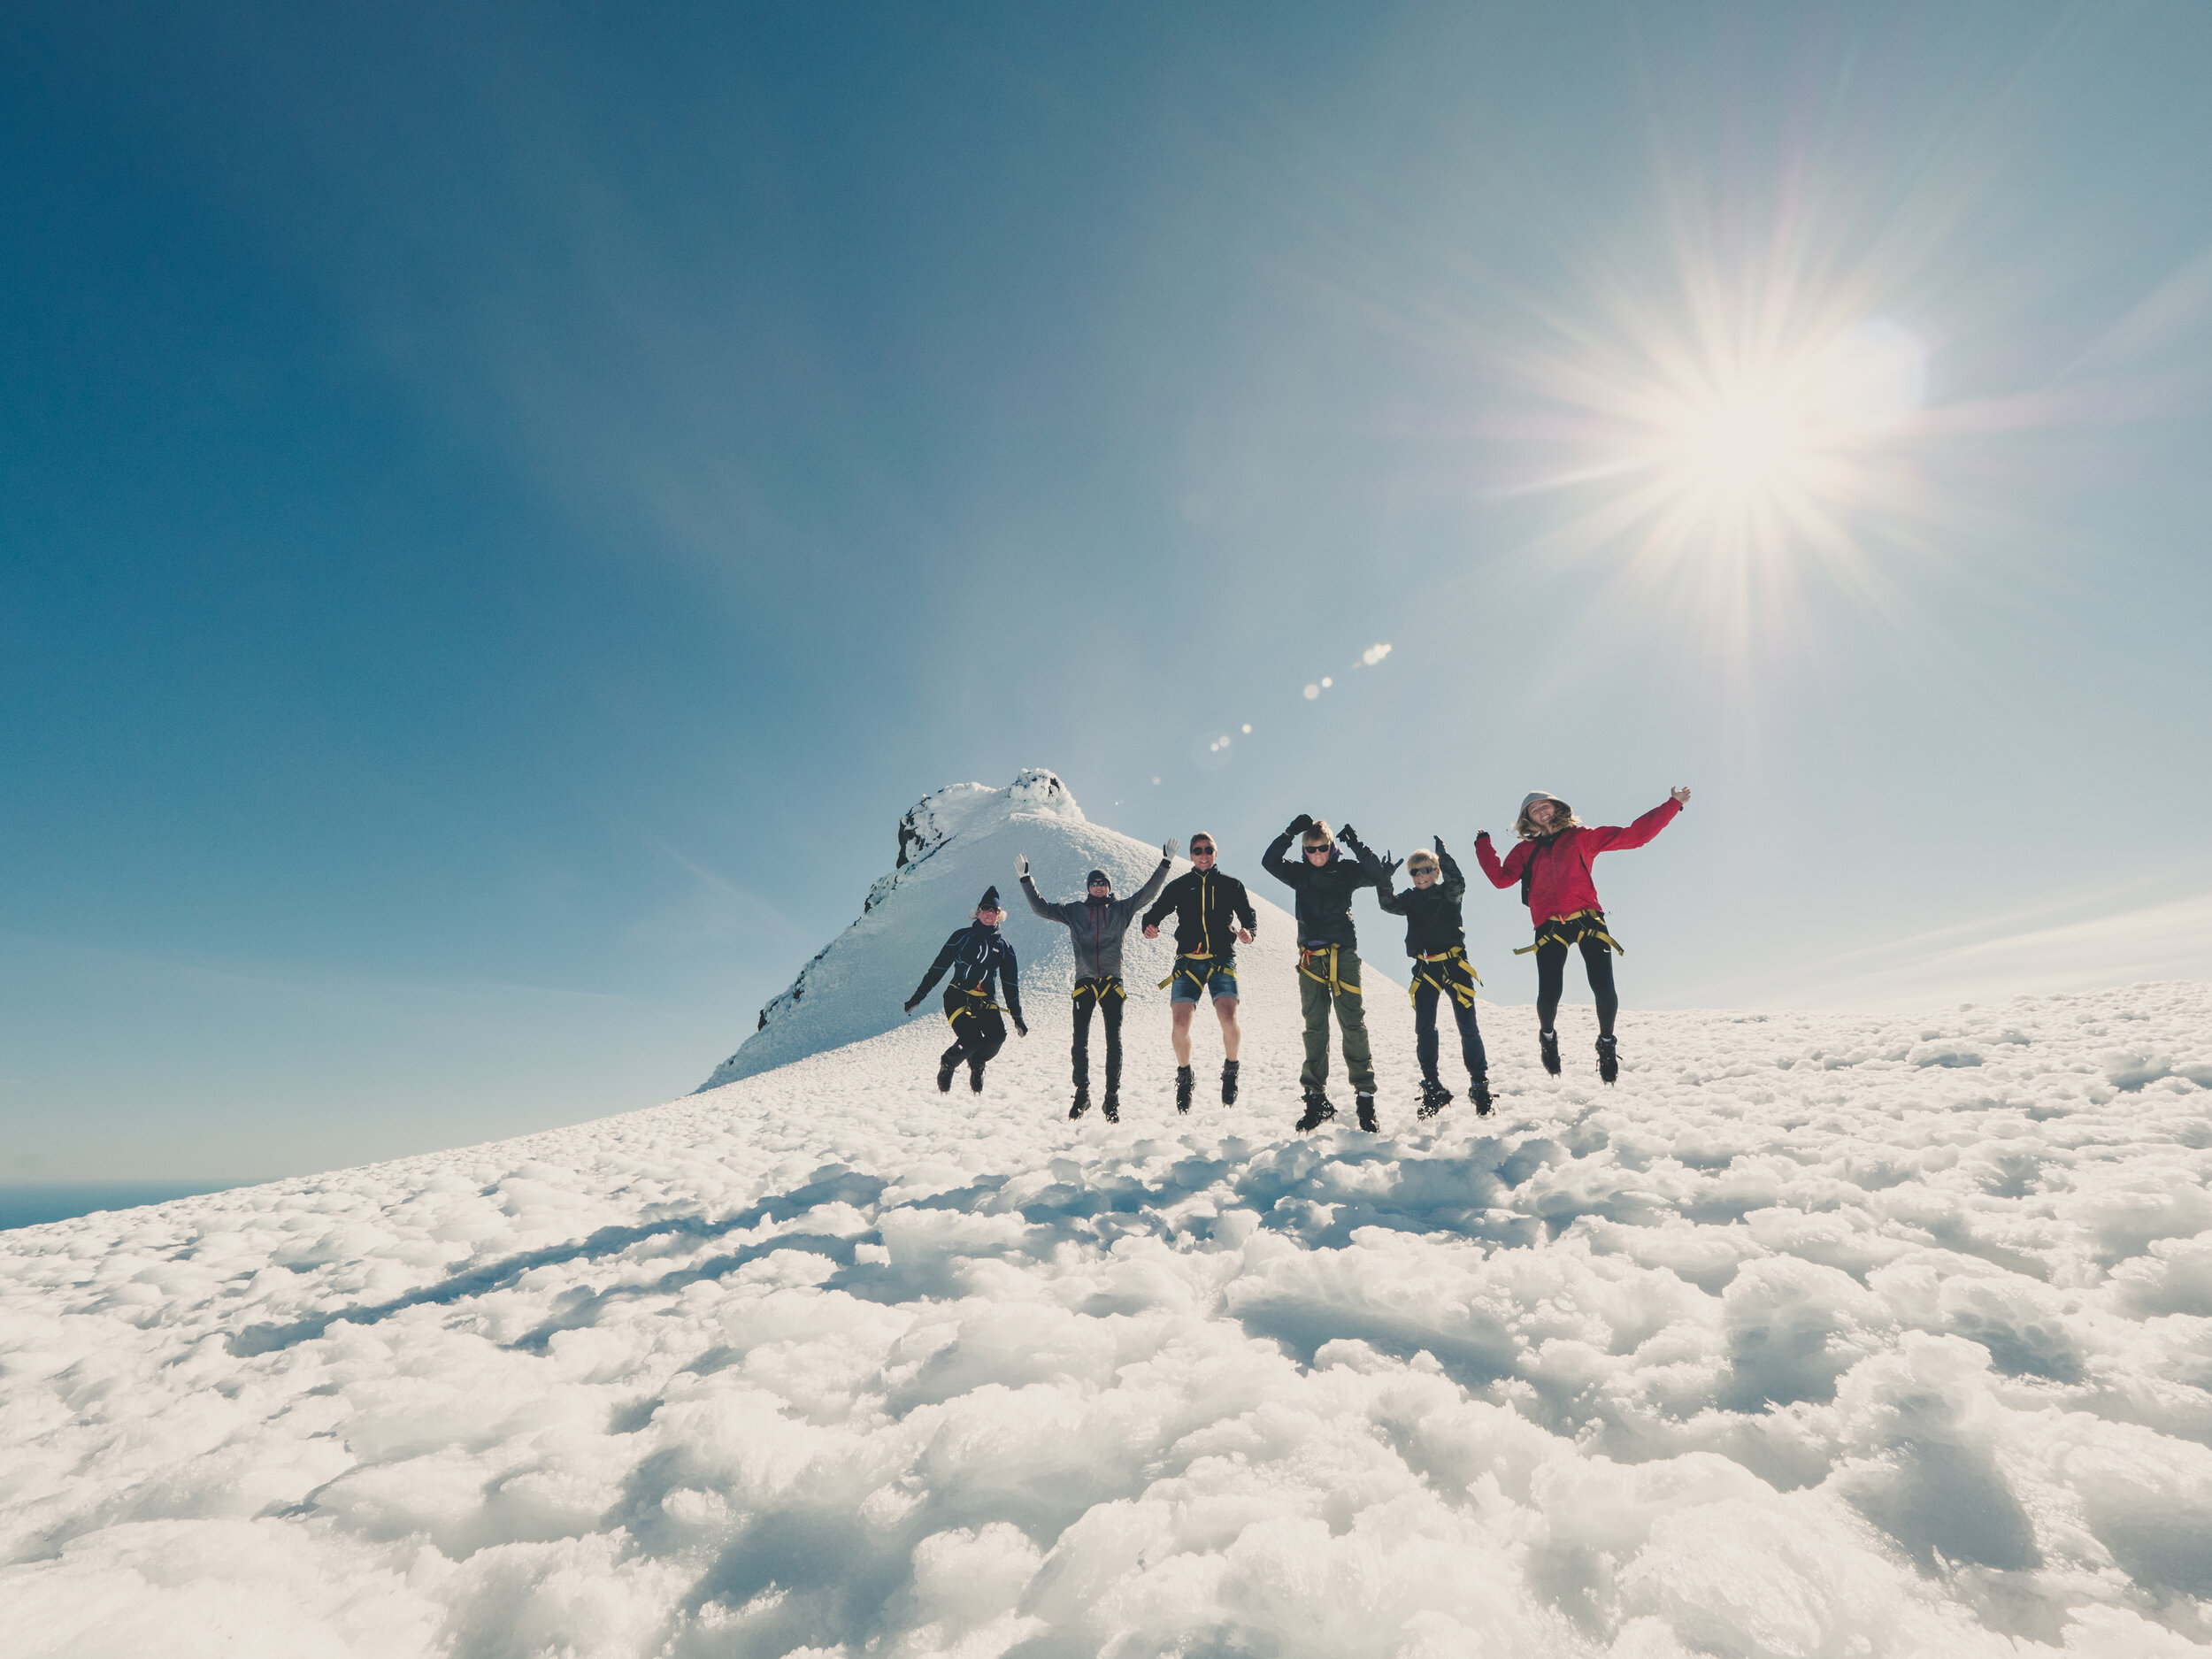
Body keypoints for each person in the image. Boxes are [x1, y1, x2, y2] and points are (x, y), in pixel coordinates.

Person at [1475, 787, 1691, 1084]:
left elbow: (1635, 835)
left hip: (1588, 919)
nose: (1540, 810)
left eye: (1544, 805)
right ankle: (1548, 1038)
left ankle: (1606, 1043)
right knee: (1549, 993)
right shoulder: (1524, 851)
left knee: (1603, 987)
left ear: (1556, 808)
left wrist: (1672, 805)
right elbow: (1501, 880)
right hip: (1550, 927)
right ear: (1527, 818)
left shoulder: (1581, 837)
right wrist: (1483, 845)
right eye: (1533, 808)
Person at [1018, 842, 1175, 1123]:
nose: (1099, 887)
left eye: (1103, 883)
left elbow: (1148, 894)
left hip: (1113, 983)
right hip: (1085, 983)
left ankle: (1111, 1100)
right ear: (1088, 887)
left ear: (1108, 886)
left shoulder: (1121, 909)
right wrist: (1026, 880)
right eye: (1095, 883)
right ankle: (1082, 1095)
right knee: (1080, 1042)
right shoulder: (1075, 911)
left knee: (1113, 1043)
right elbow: (1041, 908)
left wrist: (1165, 863)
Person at [1263, 814, 1389, 1133]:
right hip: (1309, 959)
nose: (1316, 854)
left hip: (1343, 955)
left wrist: (1356, 843)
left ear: (1331, 846)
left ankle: (1365, 1101)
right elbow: (1269, 861)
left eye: (1322, 848)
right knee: (1315, 1027)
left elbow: (1377, 875)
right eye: (1310, 850)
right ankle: (1315, 1099)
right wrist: (1290, 831)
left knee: (1352, 1025)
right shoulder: (1299, 873)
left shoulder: (1346, 871)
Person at [1140, 832, 1257, 1113]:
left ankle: (1231, 1070)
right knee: (1180, 1025)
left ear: (1216, 853)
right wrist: (1150, 925)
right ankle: (1184, 1076)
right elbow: (1155, 911)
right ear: (1190, 855)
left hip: (1222, 960)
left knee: (1228, 1020)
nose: (1203, 854)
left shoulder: (1231, 885)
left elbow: (1248, 915)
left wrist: (1249, 932)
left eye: (1208, 849)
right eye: (1197, 850)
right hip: (1187, 963)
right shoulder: (1181, 886)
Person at [1375, 839, 1490, 1118]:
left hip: (1455, 966)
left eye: (1426, 870)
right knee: (1425, 1028)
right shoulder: (1410, 899)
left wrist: (1444, 857)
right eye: (1415, 872)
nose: (1420, 876)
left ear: (1436, 872)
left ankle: (1479, 1083)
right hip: (1425, 969)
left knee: (1467, 1024)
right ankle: (1432, 1085)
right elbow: (1388, 904)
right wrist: (1383, 878)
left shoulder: (1448, 893)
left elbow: (1459, 883)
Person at [902, 887, 1027, 1093]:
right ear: (977, 912)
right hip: (956, 995)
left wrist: (1018, 1018)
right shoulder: (961, 937)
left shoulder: (1004, 946)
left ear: (1000, 916)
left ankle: (977, 1063)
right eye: (985, 909)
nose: (989, 913)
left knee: (997, 1038)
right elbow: (938, 968)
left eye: (994, 911)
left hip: (986, 1000)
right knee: (971, 1039)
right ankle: (948, 1062)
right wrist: (918, 997)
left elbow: (1010, 984)